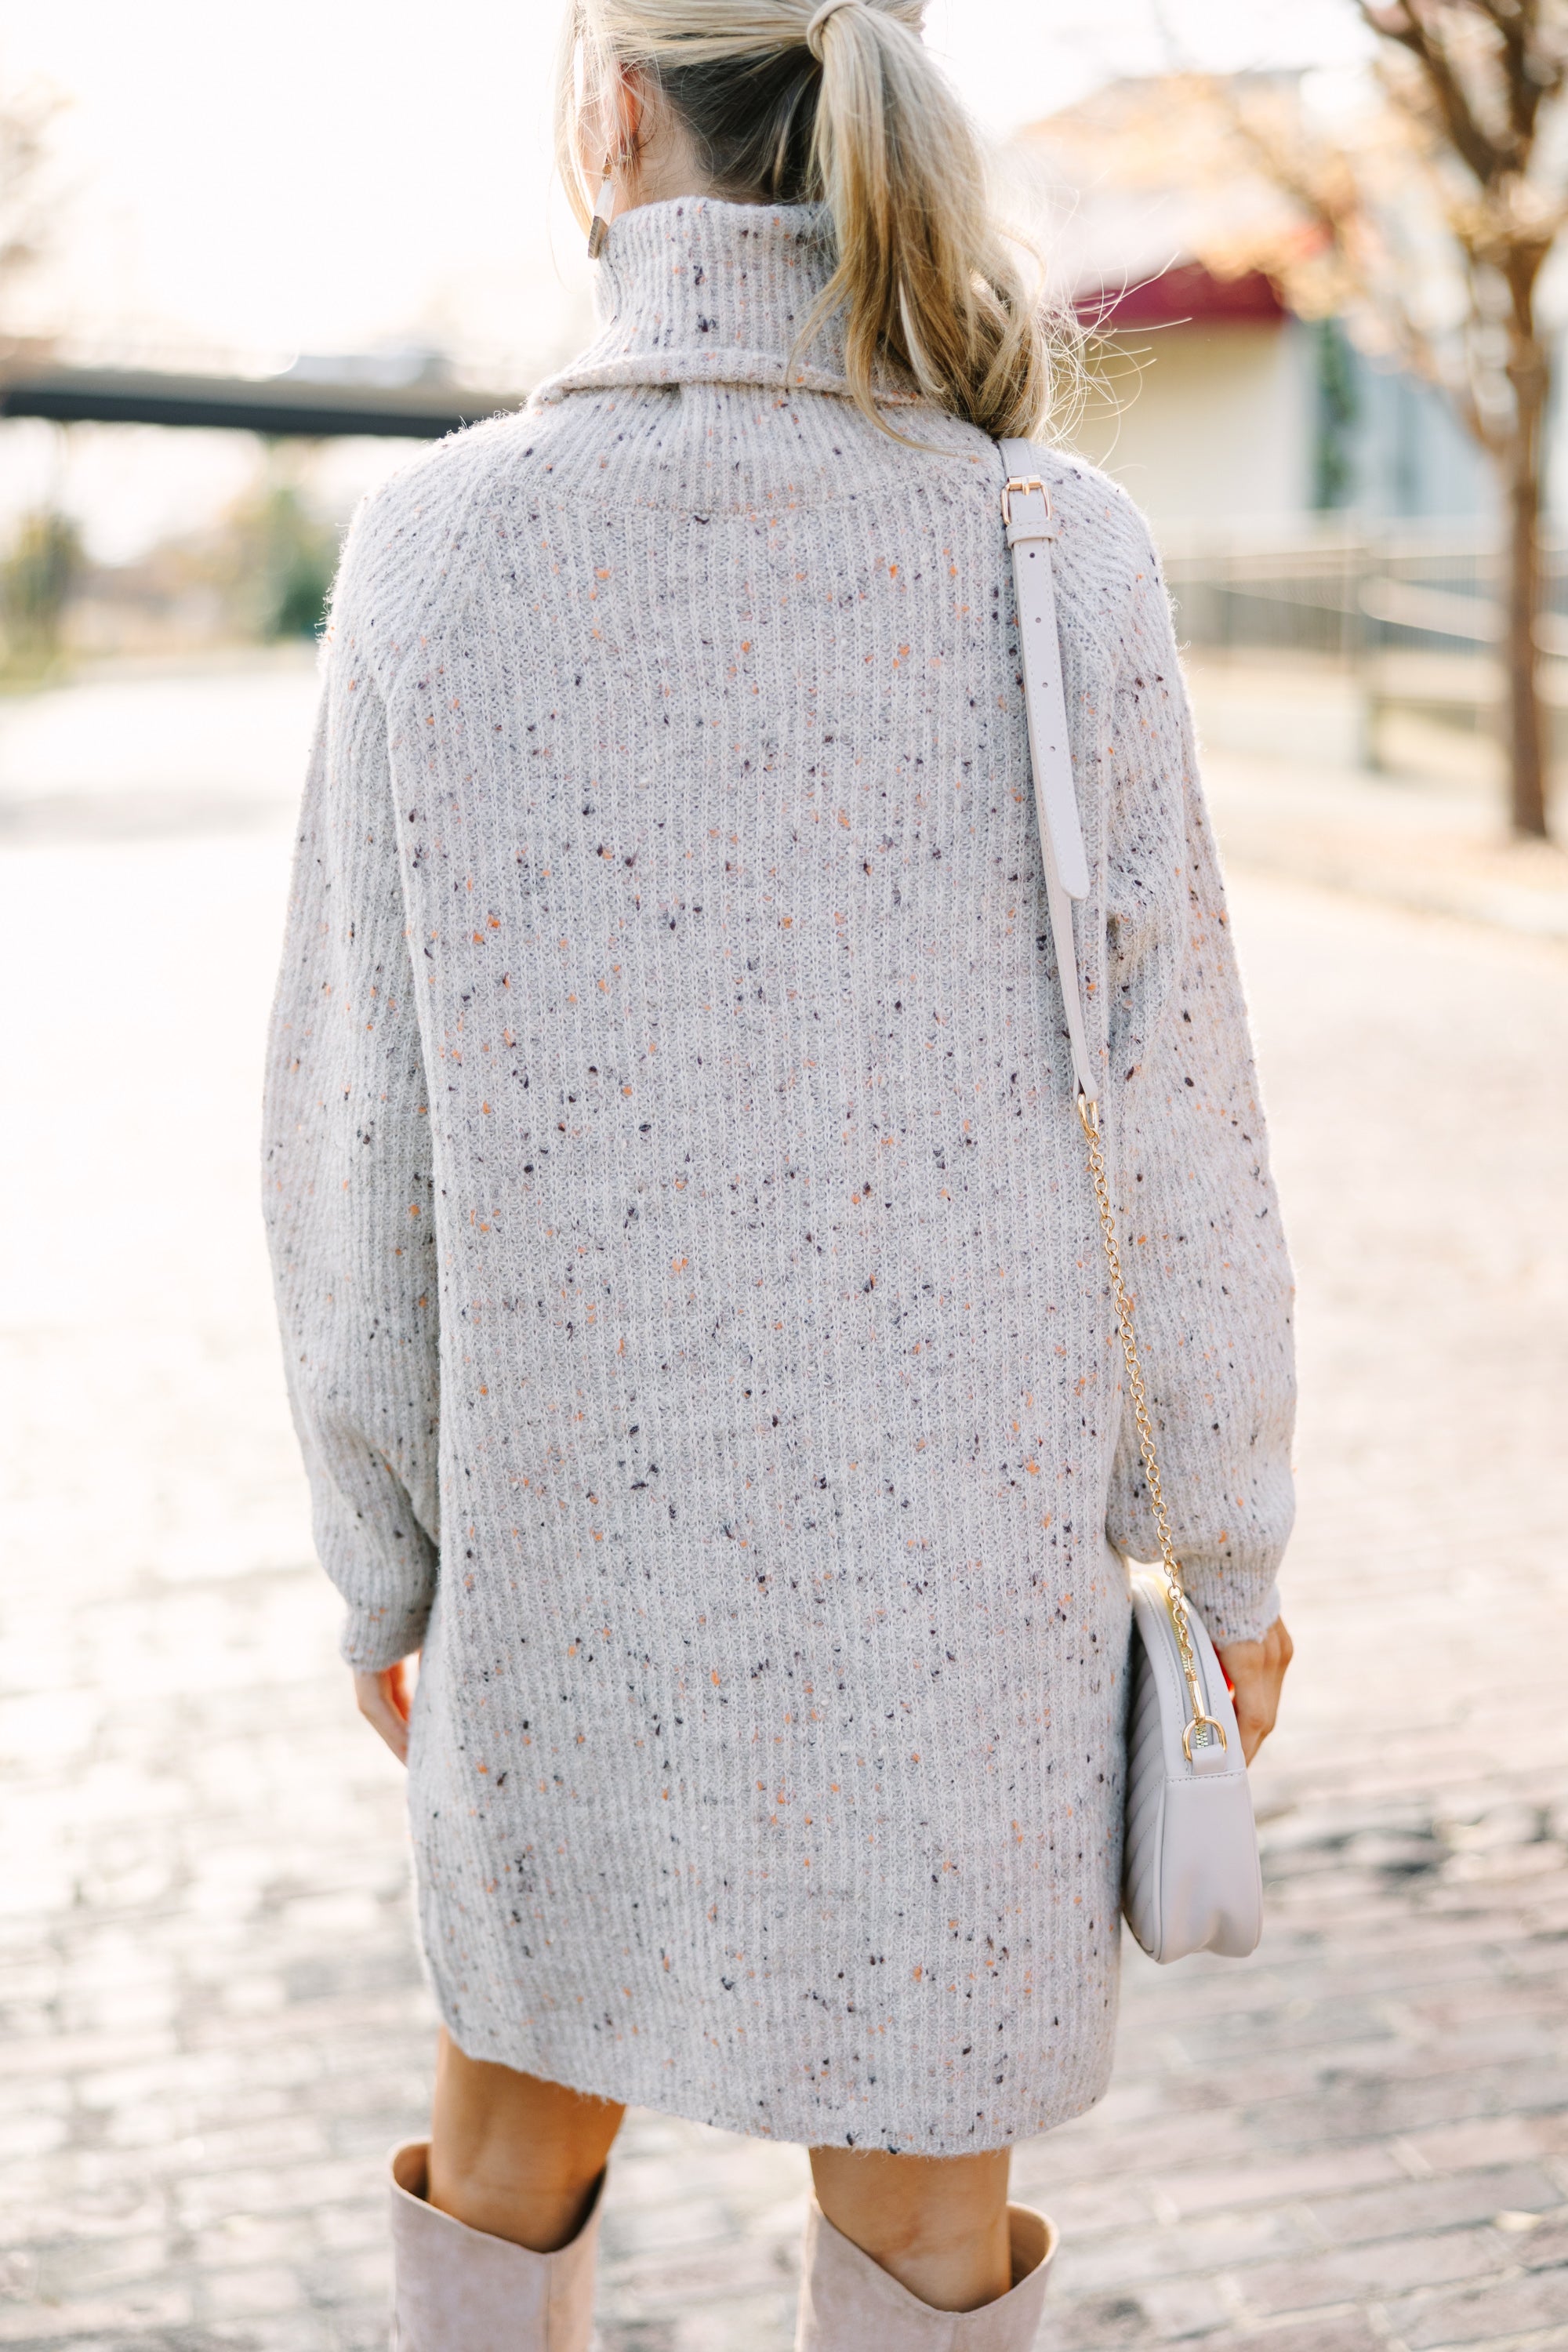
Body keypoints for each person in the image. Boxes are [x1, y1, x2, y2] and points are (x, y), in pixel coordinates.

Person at [261, 1, 1296, 2343]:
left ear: (609, 109)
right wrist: (1222, 1551)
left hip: (566, 1551)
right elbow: (1190, 1132)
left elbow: (353, 1142)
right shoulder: (1062, 556)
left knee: (508, 2166)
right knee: (925, 2244)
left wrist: (382, 1560)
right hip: (963, 1579)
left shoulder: (430, 553)